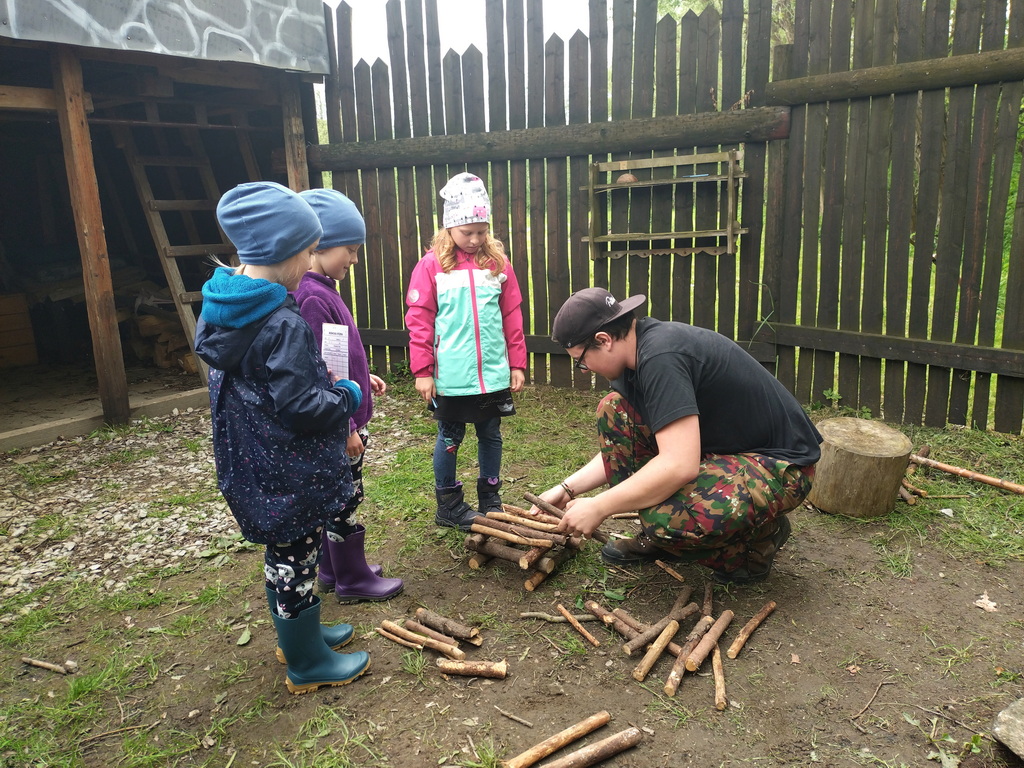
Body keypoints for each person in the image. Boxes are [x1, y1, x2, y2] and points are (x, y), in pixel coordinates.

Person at [194, 181, 370, 694]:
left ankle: (300, 637)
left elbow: (268, 387)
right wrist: (345, 395)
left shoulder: (223, 305)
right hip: (288, 467)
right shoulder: (281, 320)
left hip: (252, 459)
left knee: (284, 555)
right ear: (287, 253)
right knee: (296, 556)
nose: (310, 260)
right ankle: (306, 662)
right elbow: (302, 406)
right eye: (308, 250)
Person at [534, 287, 822, 584]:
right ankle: (662, 539)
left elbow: (679, 464)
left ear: (604, 340)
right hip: (725, 451)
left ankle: (755, 544)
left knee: (664, 517)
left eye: (580, 360)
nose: (583, 370)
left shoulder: (661, 357)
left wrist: (599, 506)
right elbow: (621, 447)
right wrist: (567, 489)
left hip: (781, 467)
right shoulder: (636, 358)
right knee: (615, 410)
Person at [294, 187, 403, 604]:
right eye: (351, 250)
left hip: (343, 416)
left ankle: (331, 568)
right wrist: (347, 427)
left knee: (340, 493)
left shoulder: (322, 288)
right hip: (338, 426)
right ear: (320, 245)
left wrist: (362, 374)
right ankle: (352, 579)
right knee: (345, 497)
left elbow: (333, 359)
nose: (354, 260)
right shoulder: (312, 297)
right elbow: (316, 372)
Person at [405, 172, 527, 531]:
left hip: (492, 373)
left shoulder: (498, 265)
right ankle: (448, 504)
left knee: (491, 434)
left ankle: (491, 499)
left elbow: (512, 315)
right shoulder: (432, 266)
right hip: (452, 376)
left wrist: (516, 363)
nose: (474, 240)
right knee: (450, 437)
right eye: (466, 232)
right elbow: (419, 319)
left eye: (481, 232)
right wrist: (423, 371)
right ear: (449, 228)